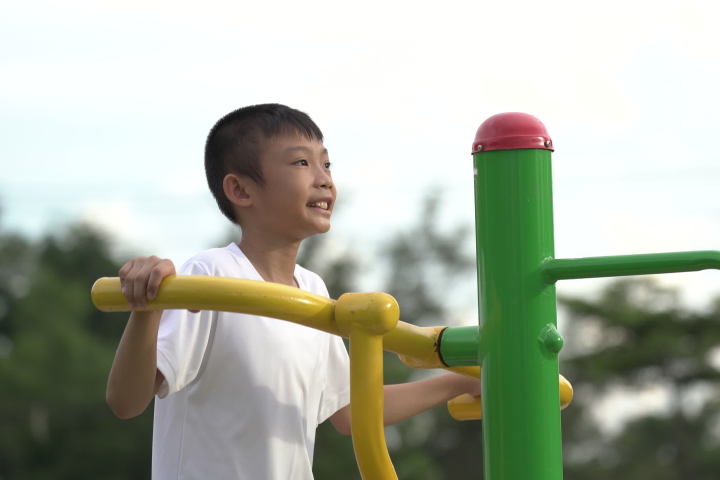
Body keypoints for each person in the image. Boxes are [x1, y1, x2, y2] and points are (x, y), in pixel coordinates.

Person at [105, 103, 480, 479]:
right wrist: (147, 308)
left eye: (327, 164)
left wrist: (459, 381)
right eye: (302, 163)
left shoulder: (313, 292)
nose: (324, 179)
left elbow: (351, 411)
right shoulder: (213, 275)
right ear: (240, 189)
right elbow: (126, 401)